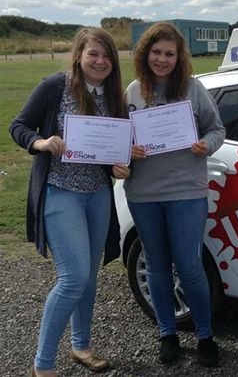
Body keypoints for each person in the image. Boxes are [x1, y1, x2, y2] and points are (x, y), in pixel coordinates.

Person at [9, 28, 129, 377]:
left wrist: (119, 166)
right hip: (60, 191)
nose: (100, 61)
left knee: (90, 276)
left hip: (97, 194)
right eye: (93, 54)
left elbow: (106, 150)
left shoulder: (113, 95)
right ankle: (42, 366)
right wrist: (42, 142)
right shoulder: (53, 87)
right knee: (73, 277)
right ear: (79, 55)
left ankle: (81, 345)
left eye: (106, 56)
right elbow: (18, 126)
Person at [124, 22, 226, 367]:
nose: (162, 59)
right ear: (145, 54)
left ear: (179, 57)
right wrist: (128, 151)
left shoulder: (193, 89)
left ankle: (204, 335)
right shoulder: (133, 92)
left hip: (186, 190)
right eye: (156, 52)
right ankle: (166, 333)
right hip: (143, 192)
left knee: (189, 265)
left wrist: (205, 145)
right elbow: (119, 140)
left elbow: (217, 128)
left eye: (169, 53)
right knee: (156, 265)